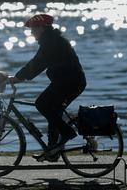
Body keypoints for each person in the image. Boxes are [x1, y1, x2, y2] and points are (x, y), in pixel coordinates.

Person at [9, 14, 86, 161]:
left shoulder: (51, 43)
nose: (31, 32)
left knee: (41, 104)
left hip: (70, 82)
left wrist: (18, 77)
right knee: (53, 111)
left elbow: (37, 63)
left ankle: (67, 132)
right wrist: (21, 77)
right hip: (67, 81)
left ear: (42, 28)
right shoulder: (51, 40)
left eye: (33, 29)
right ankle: (53, 151)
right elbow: (38, 63)